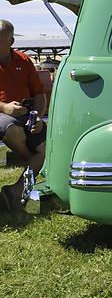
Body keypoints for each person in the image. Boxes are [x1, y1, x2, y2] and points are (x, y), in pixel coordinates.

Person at [0, 19, 47, 211]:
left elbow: (39, 94)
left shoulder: (24, 60)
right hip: (3, 115)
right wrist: (4, 108)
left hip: (26, 115)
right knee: (13, 130)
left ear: (11, 41)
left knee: (47, 149)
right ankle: (33, 164)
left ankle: (15, 191)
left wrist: (38, 117)